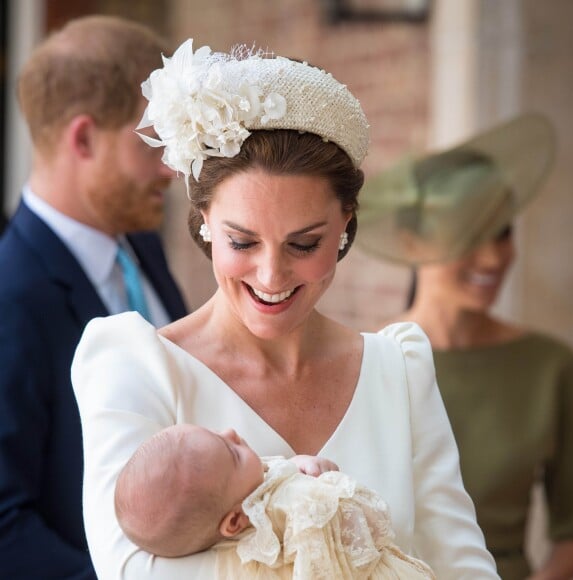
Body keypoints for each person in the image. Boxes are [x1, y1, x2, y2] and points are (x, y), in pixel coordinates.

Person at [71, 38, 500, 579]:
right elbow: (132, 571)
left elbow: (463, 567)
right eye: (242, 242)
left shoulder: (399, 371)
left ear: (346, 226)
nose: (271, 277)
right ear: (204, 220)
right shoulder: (132, 365)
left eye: (304, 244)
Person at [0, 15, 188, 579]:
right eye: (152, 140)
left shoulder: (145, 250)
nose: (171, 168)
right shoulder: (11, 297)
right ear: (82, 138)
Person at [356, 113, 573, 579]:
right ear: (409, 241)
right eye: (469, 235)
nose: (493, 257)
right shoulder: (368, 362)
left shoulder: (549, 367)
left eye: (501, 233)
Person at [115, 423, 436, 579]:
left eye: (217, 433)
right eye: (232, 452)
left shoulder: (249, 492)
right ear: (235, 521)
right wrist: (326, 489)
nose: (232, 433)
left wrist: (301, 468)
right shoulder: (285, 520)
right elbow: (362, 527)